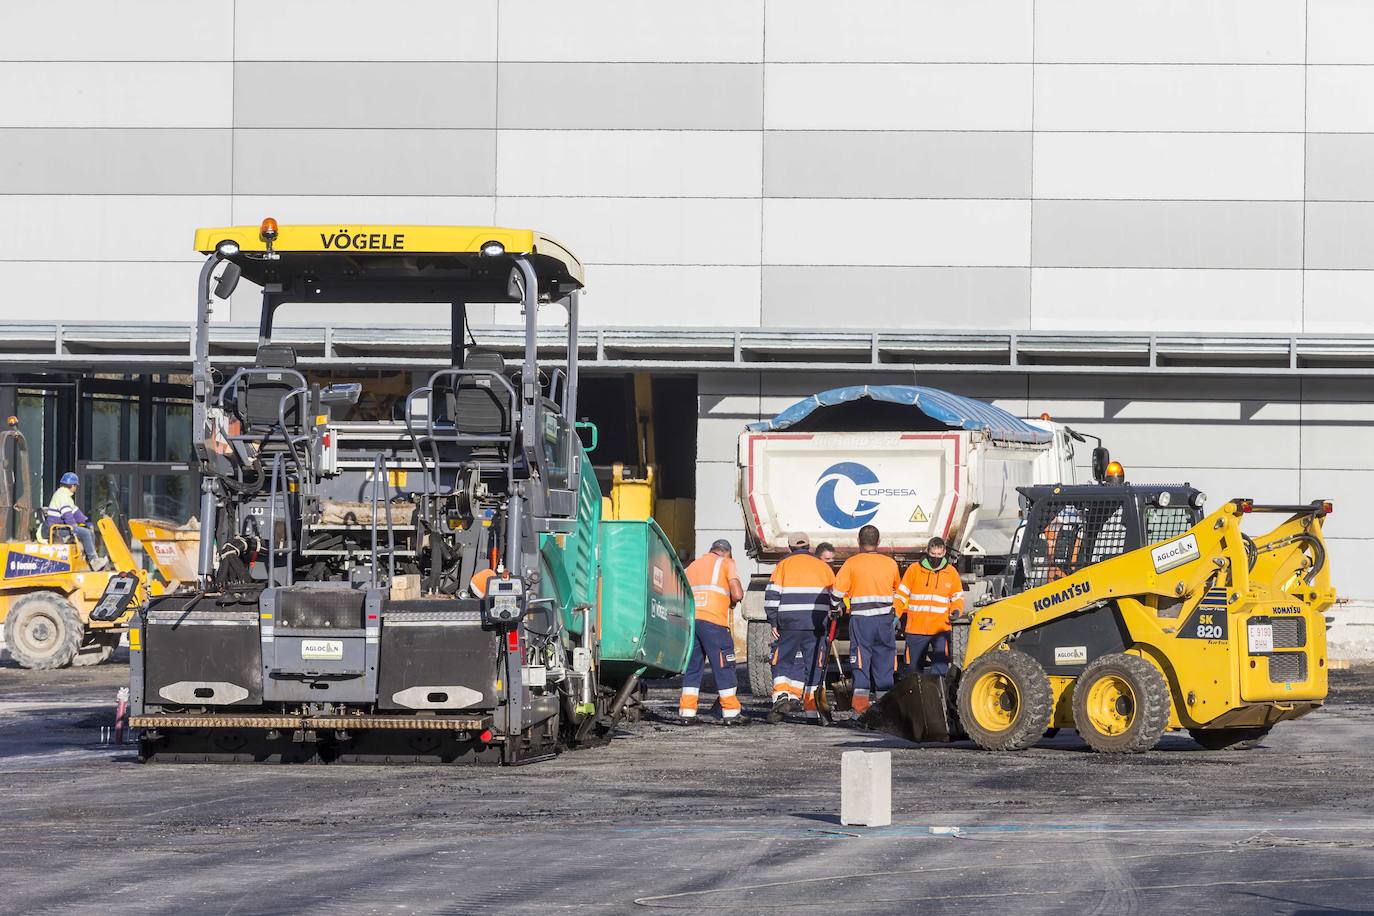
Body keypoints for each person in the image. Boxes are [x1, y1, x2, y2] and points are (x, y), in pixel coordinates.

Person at [763, 532, 834, 723]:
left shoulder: (783, 565)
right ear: (809, 547)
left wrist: (773, 621)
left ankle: (782, 696)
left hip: (790, 622)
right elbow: (834, 595)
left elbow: (772, 596)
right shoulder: (823, 566)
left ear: (789, 547)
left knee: (783, 659)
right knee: (813, 665)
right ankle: (812, 712)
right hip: (816, 622)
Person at [831, 524, 900, 715]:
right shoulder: (890, 564)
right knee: (885, 663)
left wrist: (836, 606)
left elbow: (836, 593)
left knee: (861, 662)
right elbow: (898, 591)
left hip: (861, 622)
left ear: (858, 542)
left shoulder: (852, 563)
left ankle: (860, 710)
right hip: (885, 621)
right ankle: (885, 710)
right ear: (878, 542)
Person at [679, 539, 748, 726]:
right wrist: (732, 599)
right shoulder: (726, 563)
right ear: (727, 552)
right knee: (724, 666)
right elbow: (738, 594)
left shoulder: (693, 565)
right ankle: (731, 712)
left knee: (693, 668)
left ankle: (687, 712)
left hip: (693, 622)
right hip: (714, 622)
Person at [895, 536, 963, 675]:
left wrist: (956, 610)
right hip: (916, 629)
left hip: (940, 629)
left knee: (940, 669)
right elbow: (901, 595)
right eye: (933, 554)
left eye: (939, 554)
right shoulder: (914, 570)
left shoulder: (951, 573)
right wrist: (895, 614)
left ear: (944, 553)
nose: (936, 557)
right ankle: (914, 696)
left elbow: (957, 596)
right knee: (913, 670)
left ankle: (937, 695)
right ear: (927, 551)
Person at [45, 473, 107, 570]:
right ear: (72, 485)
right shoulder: (62, 496)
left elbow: (76, 512)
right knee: (86, 533)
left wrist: (86, 521)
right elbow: (67, 515)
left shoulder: (66, 496)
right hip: (57, 529)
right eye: (76, 486)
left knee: (89, 531)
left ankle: (90, 561)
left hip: (62, 527)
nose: (76, 488)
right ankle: (94, 562)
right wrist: (73, 526)